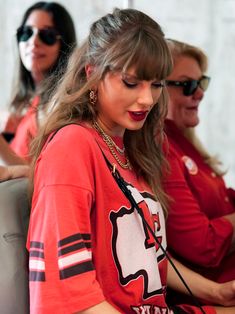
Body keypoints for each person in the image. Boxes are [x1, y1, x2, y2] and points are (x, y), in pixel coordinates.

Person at [27, 9, 235, 314]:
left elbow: (145, 253)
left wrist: (215, 292)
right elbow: (67, 292)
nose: (148, 100)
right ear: (91, 74)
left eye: (156, 84)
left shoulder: (128, 148)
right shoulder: (73, 145)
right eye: (131, 82)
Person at [163, 39, 235, 303]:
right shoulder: (163, 149)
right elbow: (202, 245)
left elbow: (223, 201)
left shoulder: (183, 142)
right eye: (188, 85)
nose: (200, 93)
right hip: (214, 292)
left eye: (201, 82)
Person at [0, 1, 76, 165]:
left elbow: (43, 176)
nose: (33, 42)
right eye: (26, 32)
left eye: (47, 35)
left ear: (64, 44)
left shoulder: (62, 103)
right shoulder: (22, 102)